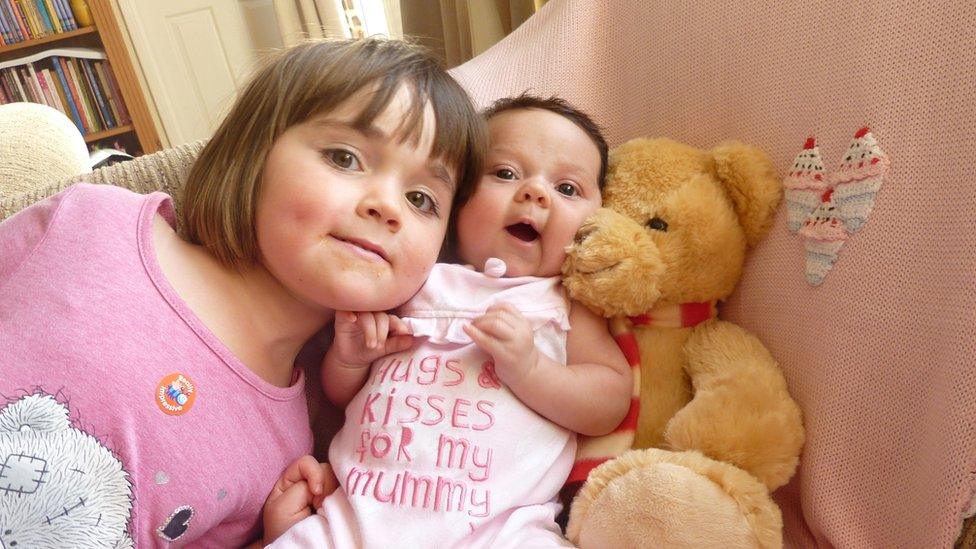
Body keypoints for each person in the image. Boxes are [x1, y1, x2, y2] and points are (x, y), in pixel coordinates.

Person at [0, 38, 484, 547]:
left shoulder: (290, 454)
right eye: (344, 157)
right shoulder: (93, 221)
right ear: (253, 153)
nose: (389, 206)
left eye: (422, 199)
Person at [264, 95, 632, 548]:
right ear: (454, 199)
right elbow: (344, 399)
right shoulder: (414, 276)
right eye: (505, 173)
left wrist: (533, 370)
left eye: (568, 189)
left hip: (499, 533)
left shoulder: (562, 301)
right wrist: (350, 359)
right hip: (356, 520)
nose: (534, 193)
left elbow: (609, 401)